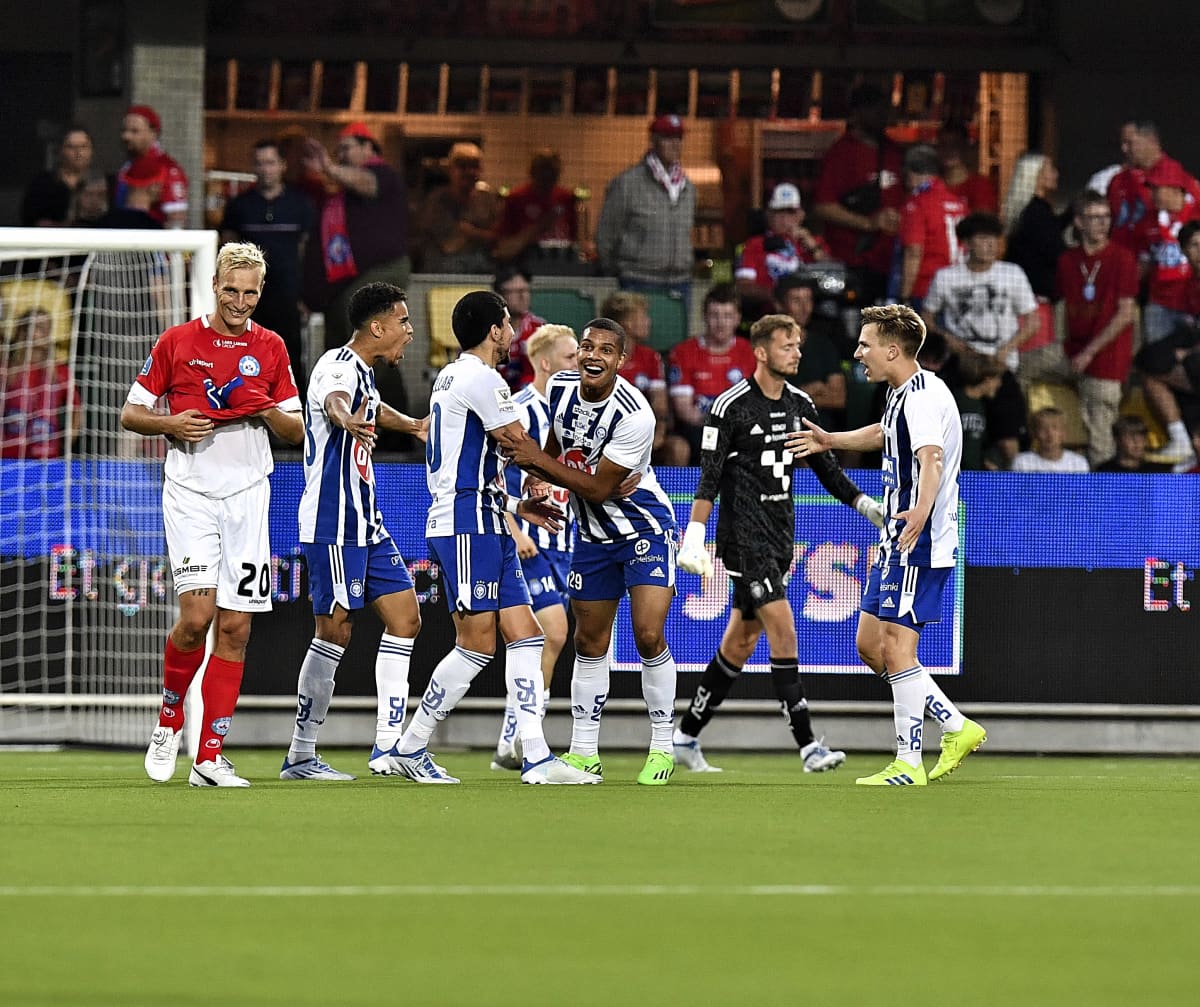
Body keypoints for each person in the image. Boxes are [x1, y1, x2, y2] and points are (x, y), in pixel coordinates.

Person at [389, 289, 596, 785]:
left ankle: (536, 756)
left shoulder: (456, 377)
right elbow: (520, 447)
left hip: (482, 517)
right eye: (506, 323)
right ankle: (412, 746)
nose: (512, 331)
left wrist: (517, 505)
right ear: (492, 331)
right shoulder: (482, 378)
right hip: (466, 526)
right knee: (476, 645)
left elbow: (473, 465)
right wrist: (581, 477)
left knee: (527, 636)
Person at [672, 312, 885, 773]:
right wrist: (694, 537)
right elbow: (708, 479)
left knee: (740, 642)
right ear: (763, 351)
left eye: (799, 345)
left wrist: (868, 507)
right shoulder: (730, 407)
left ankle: (685, 736)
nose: (798, 353)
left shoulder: (801, 404)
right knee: (783, 631)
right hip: (744, 542)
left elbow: (827, 470)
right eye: (789, 345)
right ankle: (809, 746)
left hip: (781, 536)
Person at [124, 242, 304, 787]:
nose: (240, 302)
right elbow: (132, 413)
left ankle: (209, 756)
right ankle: (169, 719)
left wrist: (264, 406)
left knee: (237, 626)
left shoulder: (271, 348)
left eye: (251, 293)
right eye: (232, 290)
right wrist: (172, 425)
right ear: (215, 286)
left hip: (249, 497)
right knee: (197, 619)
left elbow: (296, 431)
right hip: (190, 493)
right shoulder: (177, 341)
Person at [787, 304, 986, 786]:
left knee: (896, 648)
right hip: (895, 539)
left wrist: (920, 510)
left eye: (865, 344)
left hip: (917, 539)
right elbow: (884, 433)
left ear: (892, 350)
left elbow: (932, 459)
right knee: (870, 646)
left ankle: (908, 762)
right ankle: (956, 726)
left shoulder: (919, 397)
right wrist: (832, 440)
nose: (858, 353)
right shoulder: (906, 392)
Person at [504, 318, 680, 786]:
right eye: (586, 347)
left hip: (643, 528)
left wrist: (537, 461)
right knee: (588, 642)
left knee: (647, 635)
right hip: (591, 536)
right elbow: (555, 444)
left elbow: (600, 488)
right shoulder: (560, 388)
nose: (593, 356)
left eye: (606, 350)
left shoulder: (635, 414)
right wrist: (538, 472)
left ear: (621, 361)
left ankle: (663, 746)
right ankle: (584, 751)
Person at [281, 282, 429, 781]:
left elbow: (368, 405)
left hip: (368, 520)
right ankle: (301, 753)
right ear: (378, 326)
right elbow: (334, 402)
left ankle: (388, 747)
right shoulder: (337, 367)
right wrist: (346, 421)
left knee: (406, 618)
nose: (410, 332)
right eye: (404, 322)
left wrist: (411, 426)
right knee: (335, 631)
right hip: (334, 523)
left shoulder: (362, 371)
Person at [491, 323, 579, 771]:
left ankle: (514, 738)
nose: (578, 365)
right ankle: (524, 738)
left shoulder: (580, 412)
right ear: (544, 363)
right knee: (551, 633)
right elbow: (494, 475)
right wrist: (514, 529)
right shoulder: (520, 411)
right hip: (528, 543)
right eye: (569, 358)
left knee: (547, 640)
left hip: (566, 543)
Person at [922, 212, 1039, 467]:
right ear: (967, 243)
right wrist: (949, 339)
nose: (991, 245)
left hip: (999, 366)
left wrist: (1006, 349)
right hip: (960, 365)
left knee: (1010, 440)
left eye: (994, 239)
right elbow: (926, 319)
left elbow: (1033, 321)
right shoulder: (946, 277)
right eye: (983, 239)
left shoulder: (1012, 273)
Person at [300, 122, 411, 350]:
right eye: (338, 150)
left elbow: (368, 182)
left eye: (346, 148)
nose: (341, 155)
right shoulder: (343, 193)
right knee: (341, 343)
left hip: (379, 269)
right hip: (348, 278)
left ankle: (378, 386)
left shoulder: (383, 175)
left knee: (364, 344)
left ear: (367, 147)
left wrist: (328, 168)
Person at [221, 139, 317, 399]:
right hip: (247, 299)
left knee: (290, 361)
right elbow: (227, 253)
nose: (265, 169)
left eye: (271, 163)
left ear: (283, 166)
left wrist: (306, 296)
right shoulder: (239, 206)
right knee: (245, 359)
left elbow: (308, 253)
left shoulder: (300, 204)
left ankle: (293, 428)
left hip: (288, 299)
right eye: (260, 163)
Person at [1056, 190, 1138, 467]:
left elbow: (1126, 313)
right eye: (1094, 217)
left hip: (1105, 359)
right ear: (1079, 222)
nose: (1102, 223)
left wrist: (1089, 353)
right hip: (1070, 351)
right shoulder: (1068, 261)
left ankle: (1101, 501)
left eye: (1106, 217)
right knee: (1019, 366)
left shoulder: (1123, 258)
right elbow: (1064, 308)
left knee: (1100, 439)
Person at [813, 83, 905, 305]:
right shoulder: (842, 153)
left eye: (884, 108)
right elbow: (823, 206)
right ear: (858, 113)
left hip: (891, 262)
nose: (882, 115)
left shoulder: (894, 151)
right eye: (875, 109)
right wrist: (867, 223)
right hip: (852, 261)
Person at [595, 115, 696, 316]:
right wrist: (619, 270)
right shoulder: (627, 183)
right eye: (668, 138)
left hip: (680, 283)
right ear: (653, 140)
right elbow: (605, 236)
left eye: (678, 138)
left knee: (675, 344)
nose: (675, 144)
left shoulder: (688, 187)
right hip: (638, 282)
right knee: (635, 344)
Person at [667, 283, 756, 463]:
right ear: (705, 317)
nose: (721, 323)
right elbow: (684, 410)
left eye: (728, 316)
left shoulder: (750, 352)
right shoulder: (683, 352)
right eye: (714, 315)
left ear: (738, 318)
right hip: (698, 427)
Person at [603, 289, 690, 465]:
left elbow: (660, 406)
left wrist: (658, 434)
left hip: (644, 432)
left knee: (678, 449)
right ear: (627, 323)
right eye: (643, 316)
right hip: (606, 433)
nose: (648, 322)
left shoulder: (651, 357)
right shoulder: (600, 356)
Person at [1002, 153, 1067, 386]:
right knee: (1033, 367)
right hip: (1034, 306)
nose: (1056, 174)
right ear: (1036, 176)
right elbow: (1056, 252)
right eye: (1050, 169)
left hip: (1030, 303)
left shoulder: (1031, 213)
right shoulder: (1037, 215)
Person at [1107, 120, 1200, 251]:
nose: (1124, 148)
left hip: (1165, 263)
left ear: (1151, 140)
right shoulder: (1118, 181)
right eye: (1122, 143)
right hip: (1121, 263)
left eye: (1129, 142)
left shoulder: (1182, 181)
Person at [1, 307, 80, 459]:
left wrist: (67, 443)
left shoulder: (60, 372)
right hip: (8, 456)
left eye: (46, 328)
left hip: (46, 456)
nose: (42, 333)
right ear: (23, 331)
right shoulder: (7, 369)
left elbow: (76, 408)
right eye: (37, 327)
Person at [895, 143, 966, 309]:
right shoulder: (958, 203)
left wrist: (904, 297)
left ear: (911, 173)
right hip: (959, 285)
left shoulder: (917, 203)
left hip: (926, 288)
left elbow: (914, 251)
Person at [414, 142, 502, 274]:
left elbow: (499, 238)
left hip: (481, 274)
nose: (469, 172)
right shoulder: (436, 200)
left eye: (474, 166)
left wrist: (473, 233)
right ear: (450, 169)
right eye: (463, 166)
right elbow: (448, 245)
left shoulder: (488, 200)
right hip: (441, 274)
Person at [774, 275, 847, 431]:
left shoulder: (824, 345)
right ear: (779, 305)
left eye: (808, 300)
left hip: (820, 436)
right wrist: (812, 390)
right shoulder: (768, 347)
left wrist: (795, 395)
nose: (804, 307)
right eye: (796, 301)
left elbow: (838, 398)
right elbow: (769, 399)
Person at [733, 182, 829, 301]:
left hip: (815, 308)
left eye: (791, 212)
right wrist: (781, 295)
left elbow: (834, 276)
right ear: (769, 214)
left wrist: (814, 248)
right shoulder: (754, 244)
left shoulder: (814, 242)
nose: (785, 218)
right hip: (772, 308)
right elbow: (743, 286)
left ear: (801, 215)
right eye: (779, 212)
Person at [493, 147, 579, 268]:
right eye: (543, 170)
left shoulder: (566, 199)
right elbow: (503, 244)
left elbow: (574, 239)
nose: (547, 177)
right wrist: (537, 229)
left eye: (551, 172)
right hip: (525, 264)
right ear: (533, 172)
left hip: (560, 263)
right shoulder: (517, 198)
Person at [115, 105, 189, 228]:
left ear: (153, 133)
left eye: (134, 131)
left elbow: (177, 221)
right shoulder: (127, 167)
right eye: (124, 130)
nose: (126, 136)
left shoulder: (168, 170)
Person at [21, 126, 95, 227]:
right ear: (61, 151)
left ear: (91, 151)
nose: (79, 153)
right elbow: (31, 220)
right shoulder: (41, 184)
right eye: (71, 147)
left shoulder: (101, 183)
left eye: (84, 146)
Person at [494, 266, 547, 390]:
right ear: (499, 295)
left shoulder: (540, 330)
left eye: (526, 290)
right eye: (517, 292)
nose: (523, 296)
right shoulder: (485, 331)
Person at [936, 120, 997, 214]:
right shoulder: (931, 187)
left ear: (965, 147)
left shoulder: (980, 186)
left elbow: (984, 224)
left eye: (955, 145)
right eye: (944, 144)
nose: (949, 150)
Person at [1010, 407, 1090, 472]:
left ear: (1063, 433)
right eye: (1043, 429)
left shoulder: (1078, 463)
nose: (1050, 434)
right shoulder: (1022, 462)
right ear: (1034, 434)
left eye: (1055, 428)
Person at [1093, 415, 1171, 473]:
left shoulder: (1157, 471)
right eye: (1130, 437)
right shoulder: (1104, 472)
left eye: (1141, 437)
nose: (1137, 442)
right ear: (1117, 440)